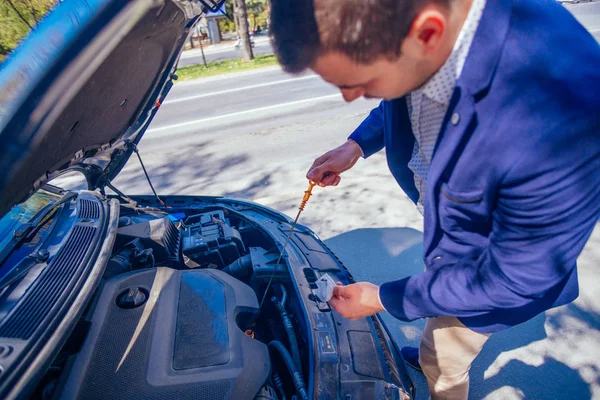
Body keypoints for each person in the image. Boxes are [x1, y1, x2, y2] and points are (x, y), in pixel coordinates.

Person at [268, 0, 600, 398]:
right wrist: (356, 145)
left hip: (488, 265)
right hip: (460, 236)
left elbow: (513, 278)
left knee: (443, 363)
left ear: (427, 33)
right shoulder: (425, 39)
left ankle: (438, 362)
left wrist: (382, 298)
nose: (351, 97)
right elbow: (401, 93)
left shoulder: (560, 114)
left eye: (362, 82)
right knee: (438, 321)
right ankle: (432, 346)